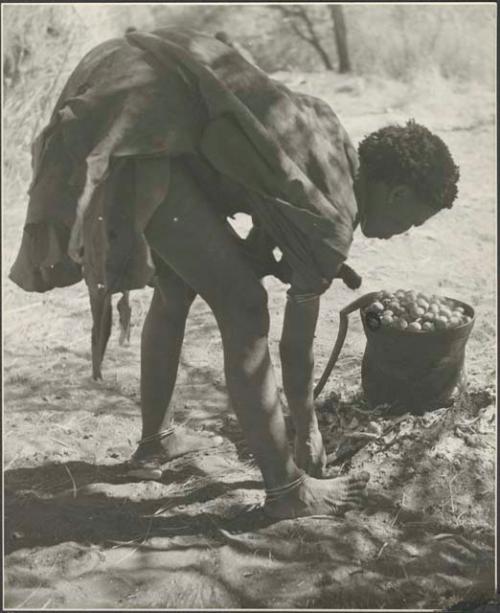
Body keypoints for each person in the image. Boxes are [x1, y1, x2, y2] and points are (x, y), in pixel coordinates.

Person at [9, 28, 459, 520]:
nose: (402, 233)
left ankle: (156, 443)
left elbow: (253, 167)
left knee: (180, 286)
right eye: (411, 220)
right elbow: (294, 345)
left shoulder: (329, 136)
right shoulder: (330, 222)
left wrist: (273, 250)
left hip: (127, 81)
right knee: (244, 306)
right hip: (141, 122)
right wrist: (305, 425)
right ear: (395, 194)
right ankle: (287, 491)